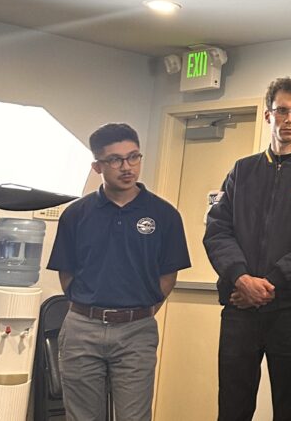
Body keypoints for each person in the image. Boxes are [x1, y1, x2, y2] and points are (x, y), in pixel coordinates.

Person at [203, 77, 291, 421]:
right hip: (240, 310)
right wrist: (241, 279)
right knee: (233, 409)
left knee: (290, 409)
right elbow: (218, 231)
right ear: (268, 115)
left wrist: (270, 283)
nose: (289, 119)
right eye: (282, 110)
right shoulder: (243, 170)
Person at [48, 123, 190, 421]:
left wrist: (142, 311)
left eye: (133, 157)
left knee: (134, 418)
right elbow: (67, 275)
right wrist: (91, 307)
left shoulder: (164, 215)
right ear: (97, 166)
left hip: (137, 330)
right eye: (115, 160)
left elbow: (168, 276)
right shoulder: (76, 214)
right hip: (82, 329)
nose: (126, 167)